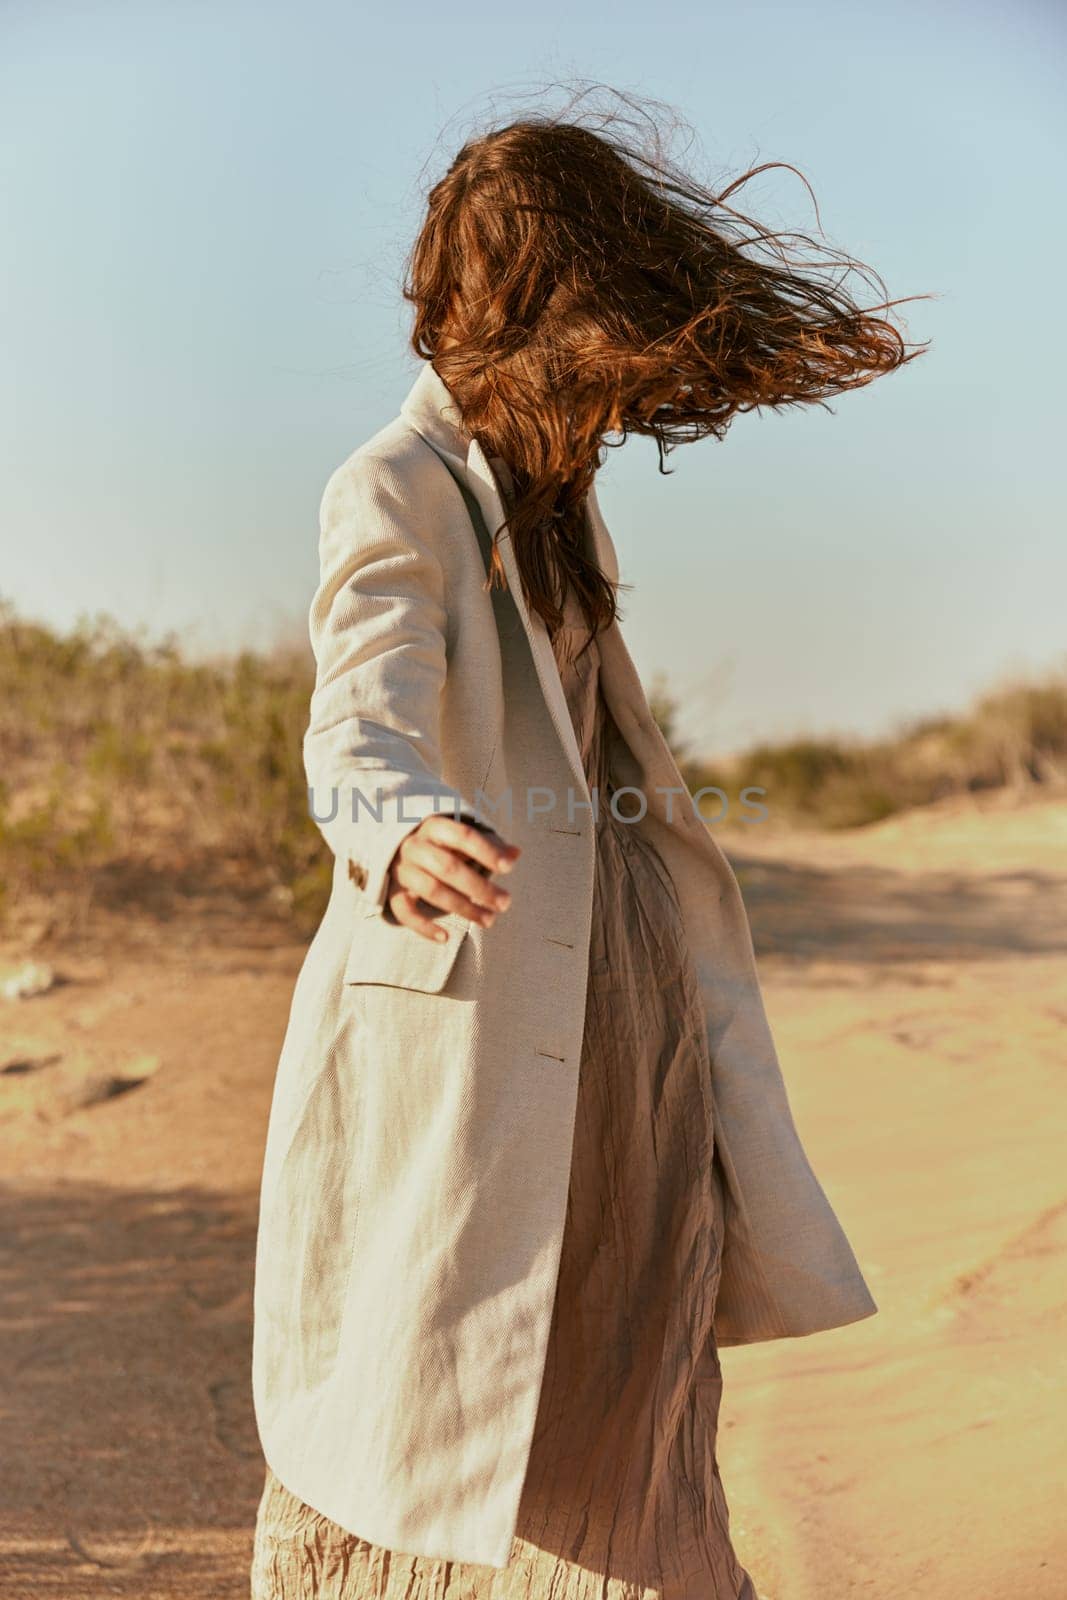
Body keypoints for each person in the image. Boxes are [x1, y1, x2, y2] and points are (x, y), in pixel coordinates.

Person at [250, 103, 925, 1600]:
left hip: (623, 984)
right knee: (444, 1383)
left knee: (637, 1327)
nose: (613, 387)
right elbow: (356, 711)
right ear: (522, 315)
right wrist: (398, 824)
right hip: (480, 979)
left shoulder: (557, 494)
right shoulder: (393, 487)